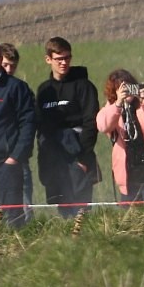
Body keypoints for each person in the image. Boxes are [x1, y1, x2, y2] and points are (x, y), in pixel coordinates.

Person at [36, 37, 101, 218]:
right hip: (53, 156)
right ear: (48, 59)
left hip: (78, 154)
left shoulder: (84, 86)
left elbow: (91, 122)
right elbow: (40, 126)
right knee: (62, 206)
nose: (64, 63)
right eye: (59, 59)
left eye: (67, 58)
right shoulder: (44, 90)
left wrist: (83, 157)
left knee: (80, 211)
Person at [95, 69, 144, 211]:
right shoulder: (110, 110)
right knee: (130, 224)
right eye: (122, 89)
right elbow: (103, 126)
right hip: (128, 180)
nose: (127, 92)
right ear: (114, 91)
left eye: (129, 86)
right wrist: (118, 104)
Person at [0, 39, 35, 229]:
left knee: (12, 217)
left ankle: (17, 250)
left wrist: (15, 157)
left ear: (1, 58)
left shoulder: (15, 88)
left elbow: (28, 124)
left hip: (5, 165)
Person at [0, 43, 33, 218]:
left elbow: (28, 123)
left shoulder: (20, 89)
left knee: (23, 204)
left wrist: (17, 154)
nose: (9, 69)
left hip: (16, 157)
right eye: (5, 65)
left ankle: (26, 236)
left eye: (13, 66)